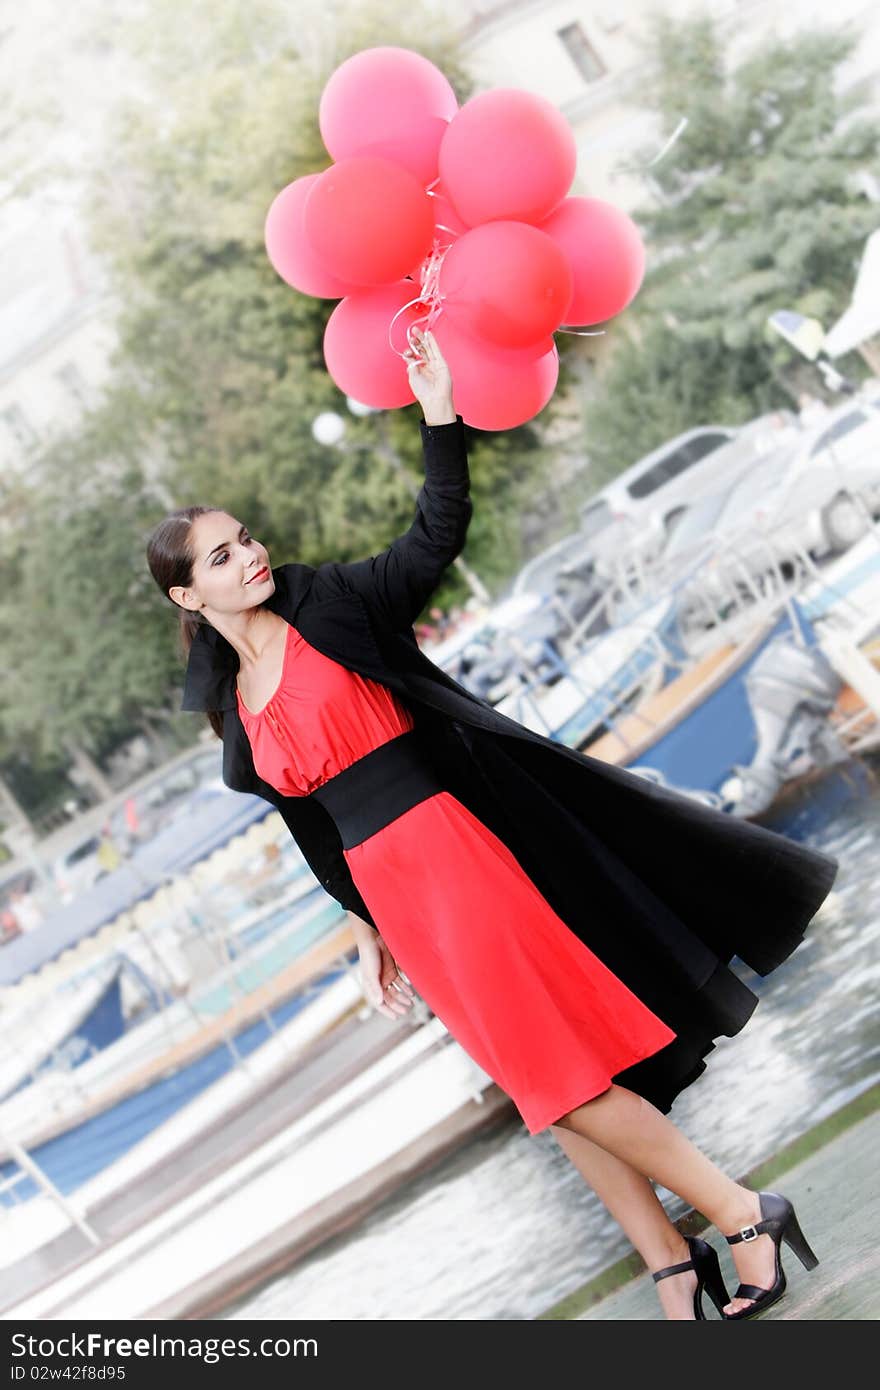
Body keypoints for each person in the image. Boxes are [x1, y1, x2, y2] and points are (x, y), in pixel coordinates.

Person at [146, 327, 838, 1321]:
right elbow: (318, 832)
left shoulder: (332, 604)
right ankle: (670, 1269)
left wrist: (437, 411)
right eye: (221, 555)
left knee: (559, 1076)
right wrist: (362, 929)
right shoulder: (232, 706)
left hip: (454, 851)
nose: (249, 555)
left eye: (244, 538)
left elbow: (436, 533)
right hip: (398, 896)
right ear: (187, 593)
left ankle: (740, 1214)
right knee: (538, 1085)